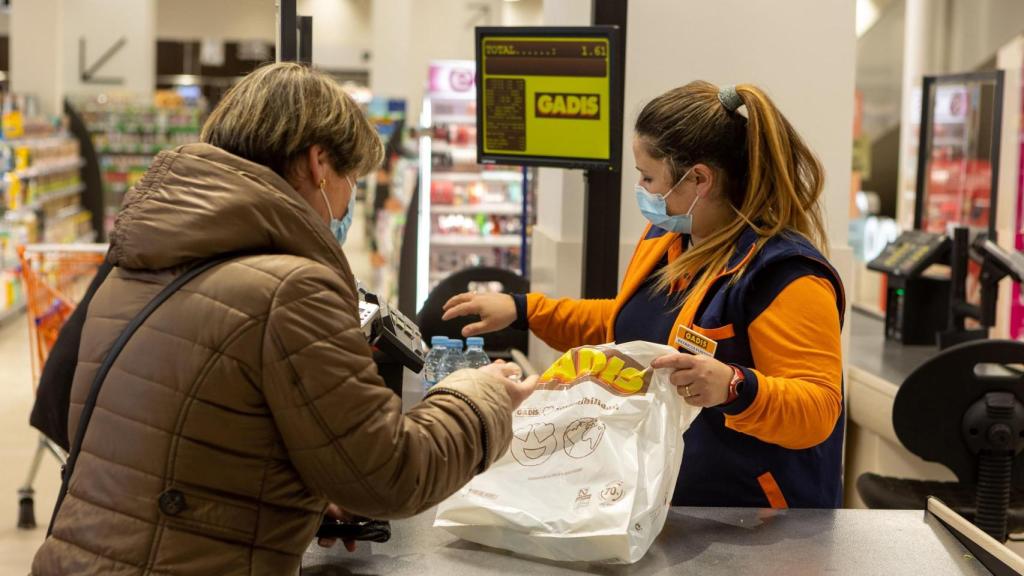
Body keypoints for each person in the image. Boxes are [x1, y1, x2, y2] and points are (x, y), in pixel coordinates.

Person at [32, 63, 535, 576]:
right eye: (352, 180)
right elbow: (392, 475)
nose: (349, 201)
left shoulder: (132, 268)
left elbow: (181, 445)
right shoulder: (292, 289)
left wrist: (295, 499)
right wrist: (478, 397)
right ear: (320, 164)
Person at [443, 81, 845, 509]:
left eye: (648, 176)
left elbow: (818, 409)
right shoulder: (668, 238)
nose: (641, 187)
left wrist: (734, 386)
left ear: (699, 179)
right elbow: (628, 327)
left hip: (755, 519)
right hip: (671, 503)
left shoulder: (785, 275)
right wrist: (524, 309)